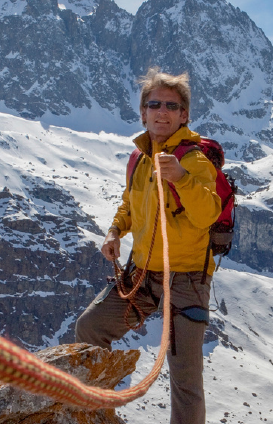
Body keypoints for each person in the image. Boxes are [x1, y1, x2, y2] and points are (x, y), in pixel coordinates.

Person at [74, 67, 221, 424]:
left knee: (185, 378)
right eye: (154, 104)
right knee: (90, 328)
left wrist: (182, 179)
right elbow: (130, 204)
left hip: (186, 281)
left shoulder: (193, 160)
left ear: (183, 115)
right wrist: (114, 232)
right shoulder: (140, 159)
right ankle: (98, 414)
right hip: (142, 273)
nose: (162, 111)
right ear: (143, 113)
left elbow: (209, 213)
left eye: (171, 105)